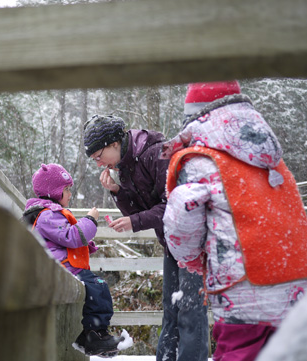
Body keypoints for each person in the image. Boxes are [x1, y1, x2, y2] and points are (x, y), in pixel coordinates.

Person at [162, 81, 307, 361]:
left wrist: (190, 259)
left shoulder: (201, 160)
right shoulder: (269, 158)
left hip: (244, 287)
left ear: (195, 117)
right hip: (296, 279)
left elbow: (183, 212)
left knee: (238, 352)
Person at [83, 115, 210, 361]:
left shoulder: (158, 154)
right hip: (172, 244)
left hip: (193, 242)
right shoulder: (126, 165)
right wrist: (117, 191)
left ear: (113, 144)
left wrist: (135, 221)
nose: (99, 164)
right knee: (171, 311)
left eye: (99, 156)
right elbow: (137, 210)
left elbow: (174, 206)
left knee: (190, 313)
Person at [21, 163, 124, 357]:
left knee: (97, 286)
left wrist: (87, 245)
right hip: (59, 269)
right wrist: (90, 220)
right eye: (66, 189)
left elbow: (65, 240)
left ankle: (94, 335)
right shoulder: (46, 215)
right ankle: (94, 335)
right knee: (98, 286)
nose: (70, 194)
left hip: (63, 267)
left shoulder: (47, 214)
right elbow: (72, 236)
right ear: (53, 192)